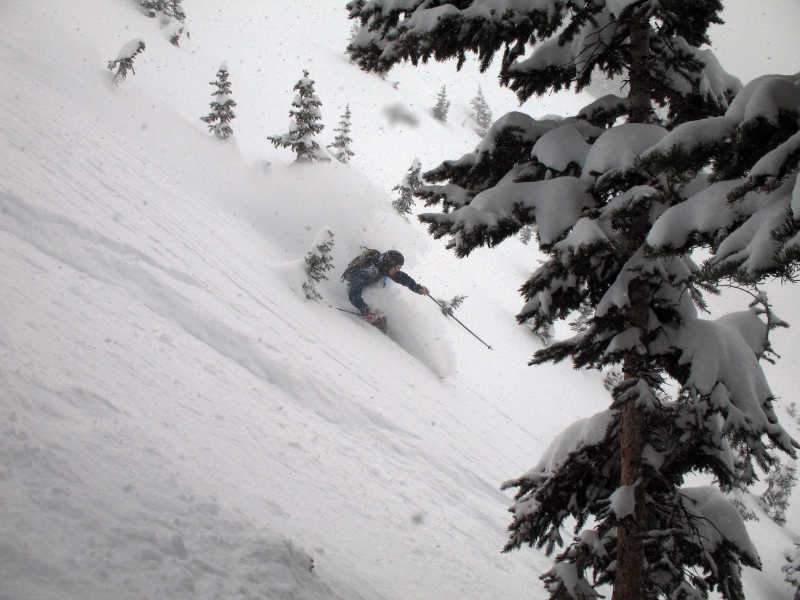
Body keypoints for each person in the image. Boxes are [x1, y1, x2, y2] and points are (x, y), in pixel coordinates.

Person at [346, 250, 429, 325]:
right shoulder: (369, 272)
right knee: (379, 320)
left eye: (399, 268)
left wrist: (417, 288)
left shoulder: (384, 268)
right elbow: (353, 294)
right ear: (390, 264)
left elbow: (403, 278)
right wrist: (365, 310)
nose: (398, 270)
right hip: (354, 293)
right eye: (397, 267)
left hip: (363, 289)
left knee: (380, 317)